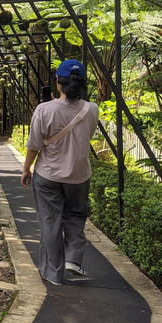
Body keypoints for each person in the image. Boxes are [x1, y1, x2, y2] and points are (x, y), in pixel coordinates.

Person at [21, 59, 99, 286]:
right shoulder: (92, 109)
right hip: (79, 175)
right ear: (83, 84)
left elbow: (34, 144)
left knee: (50, 221)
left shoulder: (44, 109)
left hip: (48, 176)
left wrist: (26, 169)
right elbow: (87, 135)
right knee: (75, 216)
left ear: (57, 81)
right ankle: (74, 259)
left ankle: (53, 273)